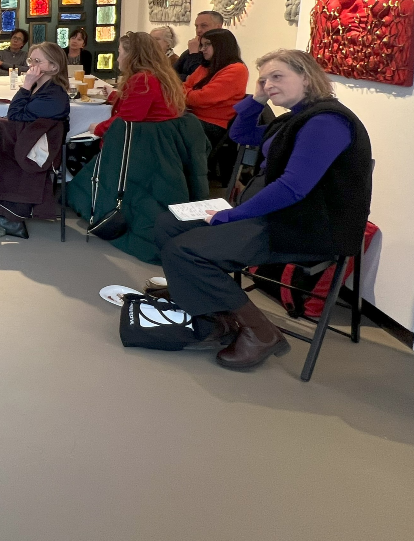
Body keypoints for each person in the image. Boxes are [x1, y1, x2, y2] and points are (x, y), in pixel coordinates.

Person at [155, 50, 372, 371]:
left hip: (306, 227)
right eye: (264, 79)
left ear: (306, 77)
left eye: (277, 76)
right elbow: (240, 135)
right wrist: (256, 99)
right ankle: (216, 313)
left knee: (185, 251)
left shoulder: (327, 122)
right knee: (168, 222)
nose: (268, 84)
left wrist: (231, 215)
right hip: (274, 215)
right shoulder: (296, 117)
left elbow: (292, 188)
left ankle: (260, 332)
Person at [0, 42, 70, 228]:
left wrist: (25, 85)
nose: (32, 66)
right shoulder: (41, 87)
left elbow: (16, 115)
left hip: (38, 149)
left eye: (38, 61)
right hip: (30, 138)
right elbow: (21, 117)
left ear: (53, 67)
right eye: (31, 60)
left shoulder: (53, 95)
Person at [93, 31, 185, 138]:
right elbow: (136, 103)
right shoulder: (157, 74)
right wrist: (113, 95)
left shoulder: (143, 80)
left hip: (148, 139)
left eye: (120, 52)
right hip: (159, 135)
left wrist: (97, 128)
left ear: (131, 55)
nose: (118, 59)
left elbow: (125, 120)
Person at [182, 29, 249, 152]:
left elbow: (201, 98)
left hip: (214, 125)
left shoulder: (237, 70)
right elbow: (181, 89)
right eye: (202, 45)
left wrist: (187, 93)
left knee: (165, 129)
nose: (202, 49)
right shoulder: (205, 66)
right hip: (193, 118)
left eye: (207, 44)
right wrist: (189, 93)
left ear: (222, 46)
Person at [175, 11, 224, 80]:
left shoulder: (223, 52)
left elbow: (201, 79)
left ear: (218, 27)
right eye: (196, 26)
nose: (199, 30)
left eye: (204, 26)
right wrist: (186, 77)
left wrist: (194, 55)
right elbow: (170, 75)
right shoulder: (193, 49)